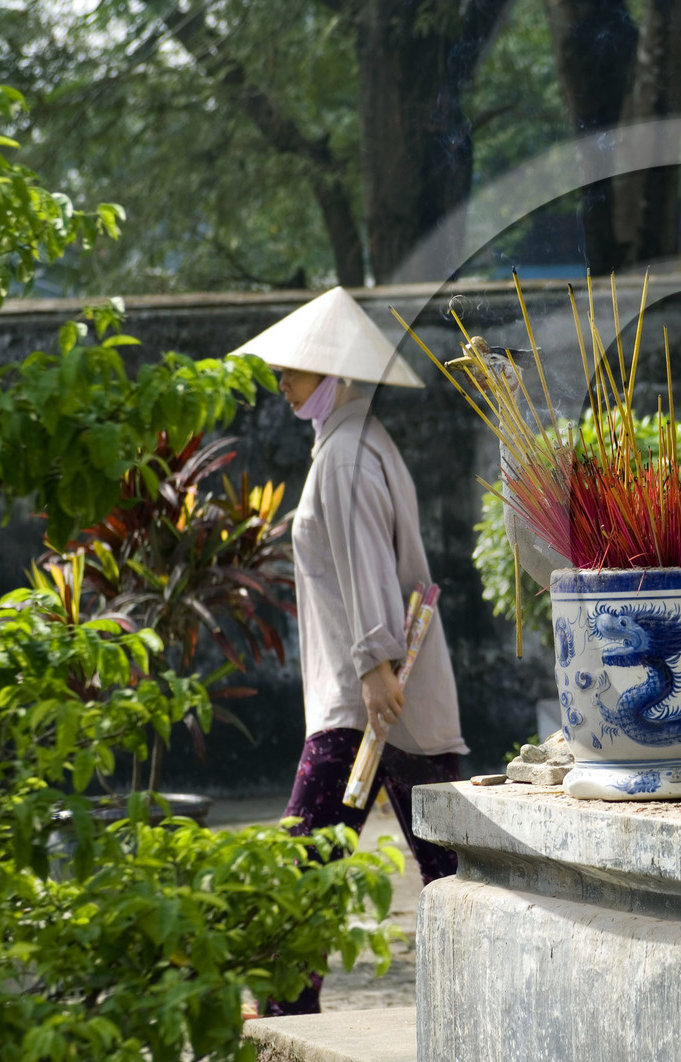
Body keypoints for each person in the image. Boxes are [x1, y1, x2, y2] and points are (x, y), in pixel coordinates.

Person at [229, 288, 467, 1015]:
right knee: (457, 877)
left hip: (366, 701)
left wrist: (372, 666)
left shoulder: (346, 457)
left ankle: (282, 1023)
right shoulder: (357, 445)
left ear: (332, 373)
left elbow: (367, 566)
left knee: (304, 872)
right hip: (385, 697)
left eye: (296, 370)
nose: (283, 381)